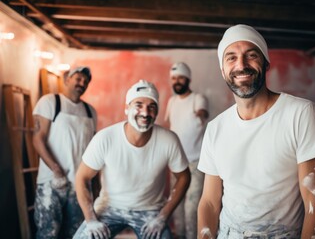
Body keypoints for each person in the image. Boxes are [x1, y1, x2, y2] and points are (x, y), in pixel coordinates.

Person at [197, 24, 315, 239]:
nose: (241, 65)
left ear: (266, 62)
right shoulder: (216, 128)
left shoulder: (300, 113)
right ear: (223, 70)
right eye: (231, 58)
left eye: (251, 55)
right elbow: (209, 201)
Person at [73, 79, 191, 239]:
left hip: (150, 210)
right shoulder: (105, 138)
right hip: (109, 207)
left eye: (151, 107)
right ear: (127, 108)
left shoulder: (168, 139)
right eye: (139, 105)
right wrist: (91, 219)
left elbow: (184, 177)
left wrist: (163, 216)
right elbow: (82, 177)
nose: (145, 112)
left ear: (157, 112)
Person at [32, 66, 97, 238]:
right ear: (66, 79)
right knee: (48, 233)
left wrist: (94, 184)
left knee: (76, 233)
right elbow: (38, 139)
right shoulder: (50, 102)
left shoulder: (91, 112)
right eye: (78, 78)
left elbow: (94, 150)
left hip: (80, 184)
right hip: (52, 183)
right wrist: (56, 169)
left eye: (85, 80)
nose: (82, 83)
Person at [164, 62, 209, 239]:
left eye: (180, 77)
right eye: (174, 78)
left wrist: (200, 115)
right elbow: (170, 126)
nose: (177, 81)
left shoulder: (198, 98)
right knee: (176, 208)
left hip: (195, 163)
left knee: (192, 210)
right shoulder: (171, 101)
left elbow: (203, 113)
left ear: (188, 79)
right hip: (176, 163)